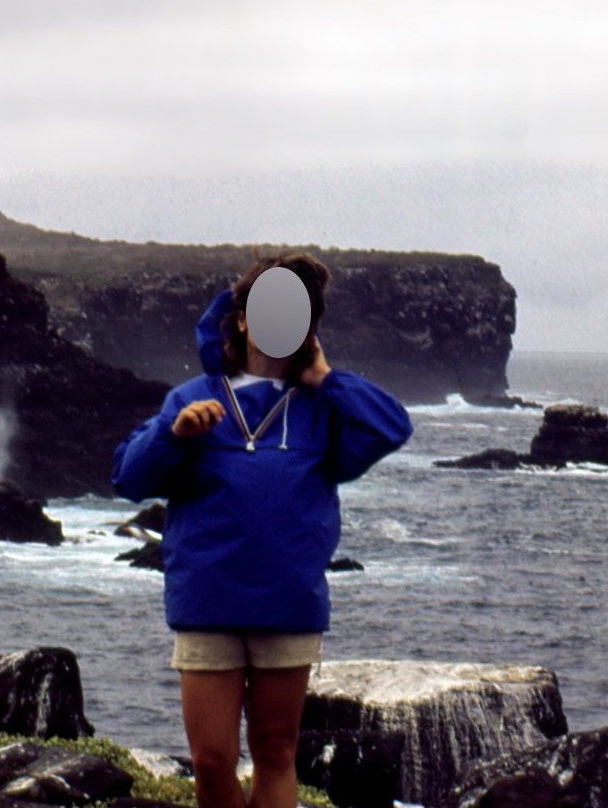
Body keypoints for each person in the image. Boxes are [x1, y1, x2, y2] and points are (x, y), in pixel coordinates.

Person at [111, 251, 413, 808]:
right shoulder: (192, 397)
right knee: (211, 760)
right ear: (242, 317)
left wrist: (325, 378)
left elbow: (393, 426)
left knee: (276, 751)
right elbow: (127, 479)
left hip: (288, 603)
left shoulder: (322, 407)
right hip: (207, 601)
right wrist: (174, 435)